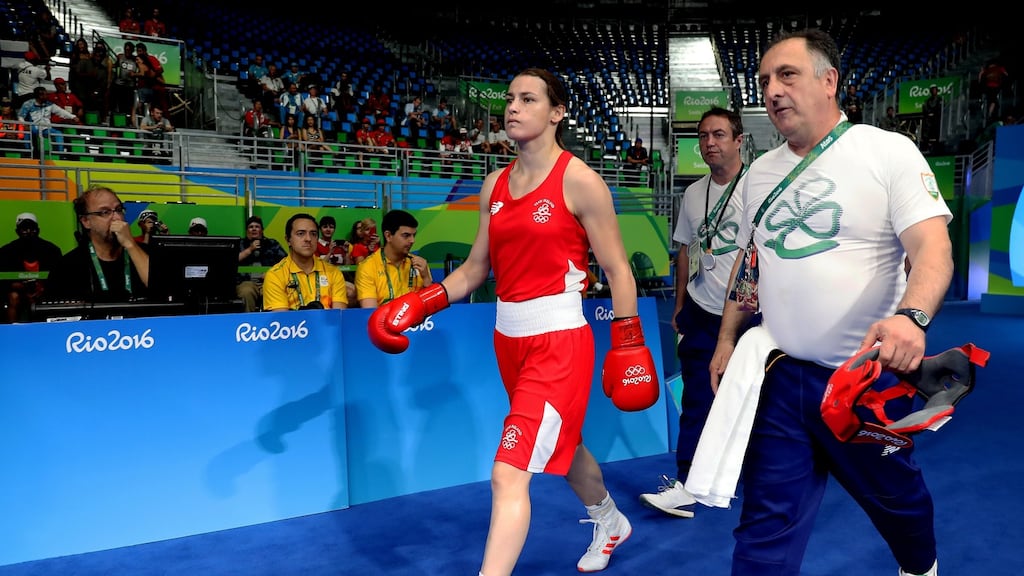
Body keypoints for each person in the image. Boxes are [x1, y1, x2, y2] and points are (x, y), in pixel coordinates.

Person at [366, 68, 658, 575]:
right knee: (564, 445)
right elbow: (478, 269)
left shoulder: (580, 181)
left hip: (559, 341)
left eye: (528, 99)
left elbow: (617, 270)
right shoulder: (494, 184)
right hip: (509, 339)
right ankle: (610, 520)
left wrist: (628, 342)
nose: (513, 108)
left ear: (557, 112)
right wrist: (420, 302)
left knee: (509, 472)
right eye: (510, 99)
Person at [703, 28, 953, 576]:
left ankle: (920, 568)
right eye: (765, 80)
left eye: (787, 75)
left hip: (864, 380)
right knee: (766, 518)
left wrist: (912, 318)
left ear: (829, 80)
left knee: (897, 500)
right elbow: (752, 265)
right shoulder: (759, 174)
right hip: (782, 376)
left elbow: (933, 248)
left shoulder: (886, 152)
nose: (772, 90)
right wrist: (726, 338)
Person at [638, 106, 754, 518]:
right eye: (703, 136)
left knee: (761, 399)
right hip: (702, 312)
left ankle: (754, 477)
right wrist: (681, 301)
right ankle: (688, 483)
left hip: (751, 315)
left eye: (719, 135)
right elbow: (686, 249)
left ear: (739, 140)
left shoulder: (758, 188)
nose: (710, 143)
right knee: (698, 398)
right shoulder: (692, 193)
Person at [46, 185, 152, 302]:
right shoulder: (67, 266)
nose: (116, 217)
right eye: (105, 212)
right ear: (86, 222)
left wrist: (131, 245)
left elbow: (163, 290)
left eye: (118, 210)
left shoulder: (146, 253)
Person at [262, 213, 348, 311]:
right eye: (300, 233)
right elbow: (282, 321)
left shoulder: (333, 272)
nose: (308, 239)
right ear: (288, 240)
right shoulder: (275, 275)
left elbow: (339, 316)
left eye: (313, 234)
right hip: (293, 326)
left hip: (327, 325)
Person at [354, 209, 433, 308]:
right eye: (406, 235)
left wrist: (426, 278)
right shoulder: (367, 268)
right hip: (384, 322)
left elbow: (432, 307)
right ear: (388, 236)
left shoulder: (421, 264)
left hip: (421, 323)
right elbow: (370, 313)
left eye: (414, 235)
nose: (412, 240)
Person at [0, 212, 63, 323]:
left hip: (45, 291)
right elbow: (4, 281)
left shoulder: (52, 250)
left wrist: (42, 287)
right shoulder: (6, 251)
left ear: (38, 230)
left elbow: (60, 277)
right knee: (13, 297)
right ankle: (13, 332)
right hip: (18, 292)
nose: (28, 232)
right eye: (24, 229)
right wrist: (22, 287)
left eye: (32, 229)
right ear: (17, 232)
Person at [237, 215, 287, 312]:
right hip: (246, 282)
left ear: (262, 230)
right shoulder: (240, 244)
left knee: (274, 292)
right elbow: (232, 260)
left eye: (257, 227)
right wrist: (250, 249)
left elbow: (285, 261)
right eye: (251, 227)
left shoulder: (272, 243)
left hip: (269, 281)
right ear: (247, 230)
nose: (254, 229)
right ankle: (248, 322)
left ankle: (270, 323)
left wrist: (270, 273)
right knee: (246, 292)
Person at [18, 86, 80, 157]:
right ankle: (28, 154)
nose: (47, 96)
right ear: (39, 96)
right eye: (44, 94)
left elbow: (60, 111)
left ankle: (60, 154)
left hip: (46, 128)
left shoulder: (49, 104)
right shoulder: (28, 104)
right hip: (33, 127)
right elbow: (20, 116)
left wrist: (73, 117)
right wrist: (25, 125)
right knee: (27, 133)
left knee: (58, 133)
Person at [978, 57, 1009, 122]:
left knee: (992, 100)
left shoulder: (987, 69)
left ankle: (988, 112)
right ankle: (989, 114)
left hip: (988, 86)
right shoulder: (999, 68)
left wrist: (980, 80)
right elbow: (1006, 74)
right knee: (993, 101)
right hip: (995, 86)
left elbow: (981, 74)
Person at [920, 84, 941, 153]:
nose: (933, 91)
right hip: (929, 119)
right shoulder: (928, 101)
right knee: (926, 132)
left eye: (935, 90)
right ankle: (925, 147)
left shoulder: (940, 99)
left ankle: (937, 147)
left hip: (937, 119)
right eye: (932, 90)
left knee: (937, 132)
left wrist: (935, 113)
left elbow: (941, 108)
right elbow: (925, 108)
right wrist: (929, 113)